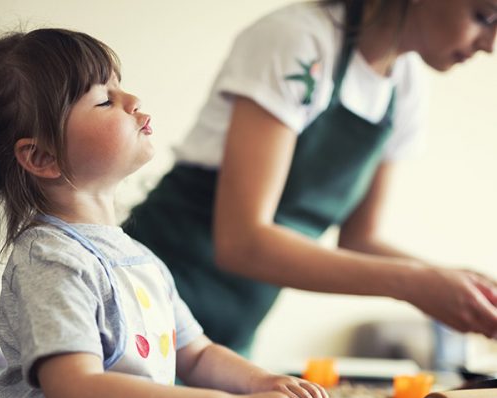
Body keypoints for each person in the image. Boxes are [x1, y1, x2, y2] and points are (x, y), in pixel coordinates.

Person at [0, 28, 331, 398]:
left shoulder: (140, 258)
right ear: (42, 157)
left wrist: (262, 383)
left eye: (122, 86)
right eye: (104, 100)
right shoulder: (49, 260)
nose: (131, 99)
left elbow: (196, 353)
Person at [126, 0, 497, 356]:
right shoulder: (296, 41)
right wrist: (415, 284)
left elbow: (360, 239)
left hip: (227, 339)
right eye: (484, 16)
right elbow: (242, 242)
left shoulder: (405, 86)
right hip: (147, 311)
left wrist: (462, 286)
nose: (491, 44)